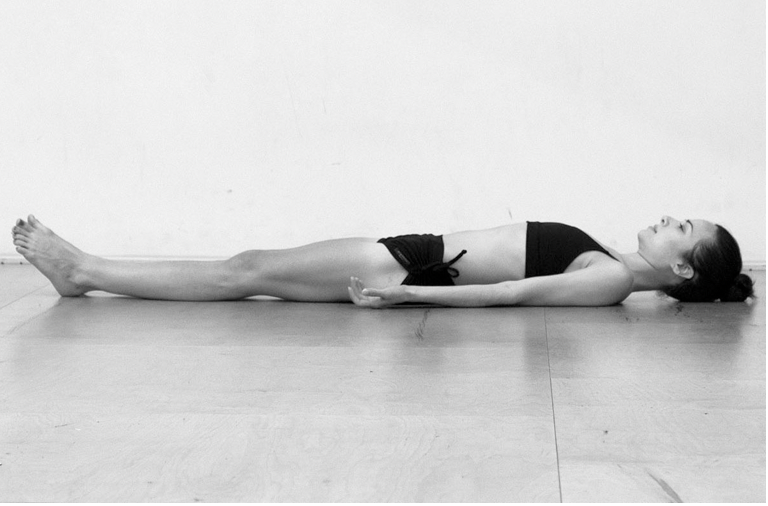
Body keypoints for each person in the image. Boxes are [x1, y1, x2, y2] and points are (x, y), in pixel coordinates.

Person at [10, 214, 754, 308]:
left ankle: (85, 272)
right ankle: (91, 270)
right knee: (253, 269)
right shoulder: (613, 263)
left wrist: (409, 297)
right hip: (413, 256)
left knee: (247, 270)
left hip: (408, 269)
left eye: (679, 228)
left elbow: (512, 296)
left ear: (685, 269)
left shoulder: (613, 278)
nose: (665, 219)